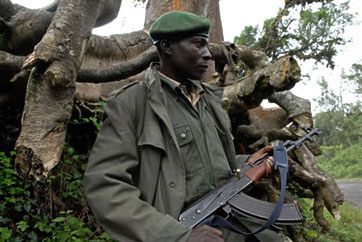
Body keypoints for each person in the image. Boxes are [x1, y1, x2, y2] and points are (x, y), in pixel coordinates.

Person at [84, 11, 282, 242]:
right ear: (167, 47)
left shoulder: (210, 100)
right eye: (198, 45)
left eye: (207, 46)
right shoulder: (131, 104)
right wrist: (178, 236)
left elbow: (205, 167)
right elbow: (104, 187)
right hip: (186, 230)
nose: (208, 55)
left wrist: (244, 163)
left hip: (234, 220)